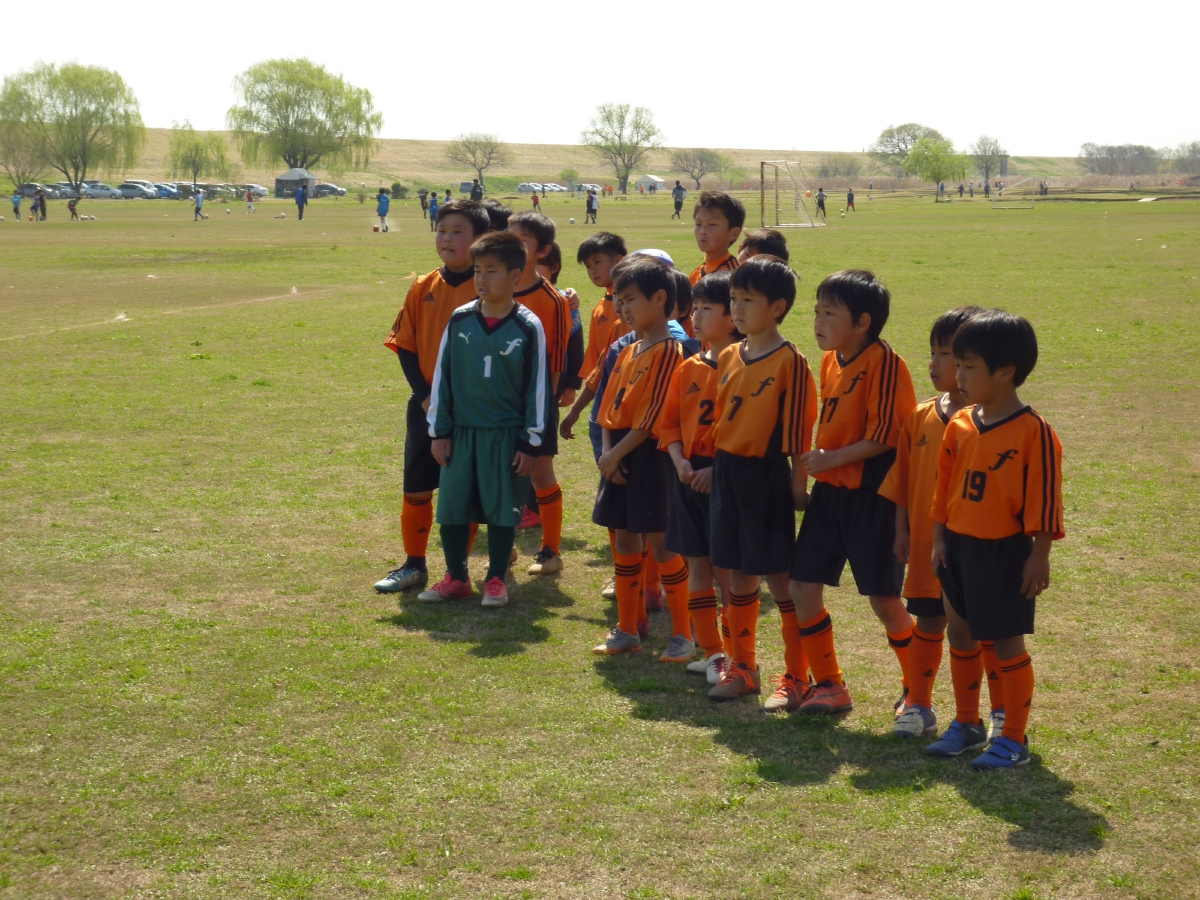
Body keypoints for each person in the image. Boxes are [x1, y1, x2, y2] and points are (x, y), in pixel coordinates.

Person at [927, 310, 1064, 769]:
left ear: (1005, 372)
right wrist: (939, 539)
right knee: (961, 633)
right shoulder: (961, 424)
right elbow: (944, 488)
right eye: (957, 365)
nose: (959, 376)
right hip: (957, 548)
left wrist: (1039, 556)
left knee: (1006, 643)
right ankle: (966, 723)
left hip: (1003, 552)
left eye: (969, 367)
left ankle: (1014, 738)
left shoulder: (1034, 432)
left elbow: (1045, 500)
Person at [787, 269, 918, 715]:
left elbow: (886, 436)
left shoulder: (886, 362)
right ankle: (830, 684)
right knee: (802, 586)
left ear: (863, 322)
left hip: (872, 496)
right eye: (816, 312)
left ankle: (917, 689)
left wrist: (830, 459)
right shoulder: (831, 360)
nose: (818, 322)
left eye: (830, 313)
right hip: (830, 493)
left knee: (884, 600)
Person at [417, 231, 550, 608]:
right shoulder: (460, 319)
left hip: (505, 435)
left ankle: (495, 578)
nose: (482, 279)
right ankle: (457, 577)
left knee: (502, 510)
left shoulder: (528, 326)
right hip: (461, 434)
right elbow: (442, 378)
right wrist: (440, 431)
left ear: (515, 276)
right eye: (477, 270)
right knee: (453, 508)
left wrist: (530, 442)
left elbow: (537, 387)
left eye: (492, 271)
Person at [706, 256, 817, 702]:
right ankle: (744, 667)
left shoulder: (792, 361)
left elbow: (799, 435)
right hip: (727, 473)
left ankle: (797, 676)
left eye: (748, 300)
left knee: (779, 580)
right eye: (733, 298)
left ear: (777, 307)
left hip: (765, 476)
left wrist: (797, 487)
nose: (736, 308)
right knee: (735, 579)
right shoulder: (729, 354)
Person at [375, 200, 493, 595]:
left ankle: (458, 571)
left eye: (458, 231)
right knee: (417, 486)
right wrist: (424, 396)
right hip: (427, 407)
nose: (447, 238)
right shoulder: (422, 286)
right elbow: (405, 345)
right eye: (442, 230)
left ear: (480, 238)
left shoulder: (489, 289)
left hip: (475, 411)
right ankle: (414, 564)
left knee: (465, 492)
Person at [879, 306, 986, 739]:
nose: (936, 364)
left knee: (976, 630)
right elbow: (902, 482)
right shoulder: (920, 416)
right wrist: (901, 530)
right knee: (928, 623)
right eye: (934, 353)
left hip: (972, 547)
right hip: (926, 546)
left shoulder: (988, 420)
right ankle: (918, 703)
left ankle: (984, 714)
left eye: (949, 355)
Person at [591, 258, 686, 656]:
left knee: (662, 546)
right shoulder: (628, 350)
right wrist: (608, 453)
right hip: (618, 455)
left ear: (659, 298)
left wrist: (615, 455)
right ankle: (627, 629)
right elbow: (607, 408)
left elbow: (650, 420)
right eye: (619, 300)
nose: (622, 308)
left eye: (630, 299)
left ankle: (683, 635)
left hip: (650, 458)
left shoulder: (670, 351)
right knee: (626, 540)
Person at [658, 271, 741, 682]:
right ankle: (712, 652)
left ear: (733, 315)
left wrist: (716, 470)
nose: (697, 316)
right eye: (696, 308)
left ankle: (738, 654)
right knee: (697, 564)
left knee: (728, 571)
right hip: (689, 475)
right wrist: (679, 461)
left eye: (708, 309)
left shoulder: (745, 366)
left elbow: (748, 432)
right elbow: (670, 423)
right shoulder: (688, 367)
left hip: (727, 476)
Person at [507, 211, 572, 576]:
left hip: (536, 403)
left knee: (540, 474)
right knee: (497, 474)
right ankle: (504, 544)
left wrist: (542, 410)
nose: (513, 246)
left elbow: (556, 363)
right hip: (495, 402)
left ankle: (551, 550)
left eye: (523, 241)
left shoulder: (553, 300)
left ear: (543, 251)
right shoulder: (490, 285)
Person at [690, 191, 744, 287]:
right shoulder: (695, 274)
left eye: (712, 224)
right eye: (698, 224)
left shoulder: (735, 278)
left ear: (733, 233)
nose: (702, 231)